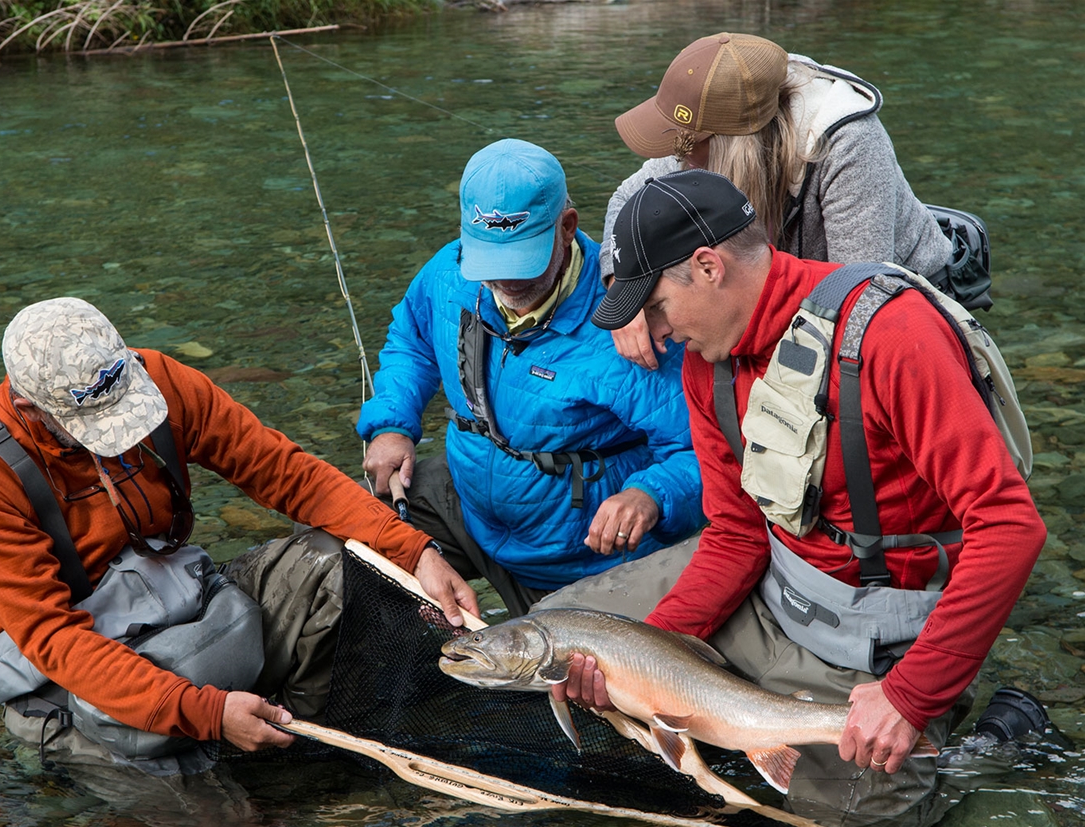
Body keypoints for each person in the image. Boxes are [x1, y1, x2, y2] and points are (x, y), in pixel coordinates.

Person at [547, 170, 1044, 824]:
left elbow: (1010, 528)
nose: (658, 333)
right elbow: (736, 534)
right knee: (557, 633)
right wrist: (643, 661)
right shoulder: (708, 363)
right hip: (774, 589)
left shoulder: (891, 339)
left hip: (876, 642)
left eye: (658, 306)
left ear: (708, 266)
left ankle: (991, 741)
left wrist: (908, 696)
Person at [0, 297, 478, 770]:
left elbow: (287, 474)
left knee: (333, 561)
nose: (119, 432)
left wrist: (414, 551)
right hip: (71, 675)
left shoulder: (158, 380)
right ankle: (221, 743)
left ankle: (296, 743)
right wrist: (208, 714)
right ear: (29, 405)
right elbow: (54, 637)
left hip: (183, 608)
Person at [357, 138, 704, 616]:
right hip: (467, 504)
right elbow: (411, 339)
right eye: (489, 263)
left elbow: (707, 450)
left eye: (521, 260)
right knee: (343, 531)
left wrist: (650, 494)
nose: (504, 281)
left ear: (567, 228)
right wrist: (392, 424)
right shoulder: (450, 270)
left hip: (576, 558)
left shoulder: (632, 329)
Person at [600, 32, 953, 370]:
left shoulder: (849, 143)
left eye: (685, 148)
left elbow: (858, 299)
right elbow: (626, 200)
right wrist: (629, 294)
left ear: (731, 144)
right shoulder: (695, 144)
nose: (677, 160)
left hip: (901, 305)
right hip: (788, 294)